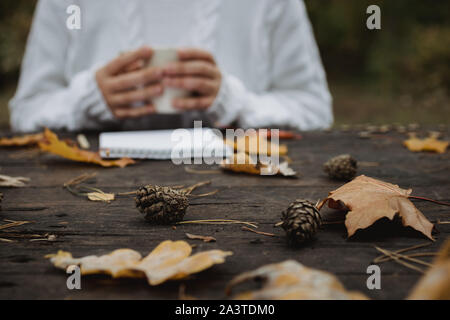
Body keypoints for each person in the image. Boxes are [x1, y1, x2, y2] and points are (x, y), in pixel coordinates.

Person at [9, 0, 333, 132]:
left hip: (245, 203)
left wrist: (238, 105)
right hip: (83, 204)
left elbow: (314, 109)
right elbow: (27, 110)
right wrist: (84, 101)